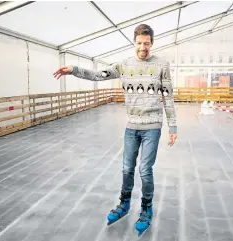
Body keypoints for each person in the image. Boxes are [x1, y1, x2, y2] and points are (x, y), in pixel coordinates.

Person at [53, 24, 177, 236]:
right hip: (131, 126)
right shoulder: (123, 65)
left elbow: (168, 96)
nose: (143, 47)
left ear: (152, 43)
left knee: (145, 169)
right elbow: (97, 75)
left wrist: (172, 127)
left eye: (147, 43)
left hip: (152, 127)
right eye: (139, 43)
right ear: (134, 42)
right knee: (127, 168)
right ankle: (124, 203)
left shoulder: (161, 65)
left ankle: (146, 208)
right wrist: (74, 70)